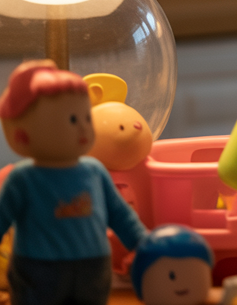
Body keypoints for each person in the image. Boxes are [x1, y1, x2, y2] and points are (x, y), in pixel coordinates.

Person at [0, 59, 150, 305]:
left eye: (86, 118)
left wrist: (142, 242)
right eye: (72, 120)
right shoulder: (22, 179)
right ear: (21, 134)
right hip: (38, 271)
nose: (83, 128)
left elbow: (120, 214)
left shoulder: (94, 171)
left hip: (93, 269)